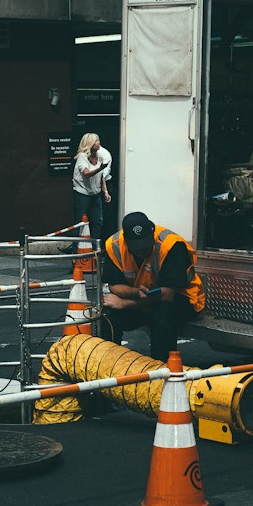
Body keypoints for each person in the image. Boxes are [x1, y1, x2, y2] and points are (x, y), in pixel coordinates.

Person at [100, 211, 204, 362]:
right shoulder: (114, 245)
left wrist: (126, 303)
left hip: (182, 299)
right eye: (137, 248)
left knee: (161, 315)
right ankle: (109, 364)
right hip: (143, 298)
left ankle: (161, 370)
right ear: (126, 241)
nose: (142, 251)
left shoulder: (171, 245)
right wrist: (136, 293)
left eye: (146, 246)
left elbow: (168, 295)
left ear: (152, 232)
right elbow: (114, 286)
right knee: (108, 314)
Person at [71, 132, 112, 235]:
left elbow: (101, 176)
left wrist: (105, 192)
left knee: (98, 222)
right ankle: (76, 248)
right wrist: (100, 168)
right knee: (80, 222)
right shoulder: (82, 157)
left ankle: (95, 248)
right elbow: (86, 174)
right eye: (96, 141)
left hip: (96, 194)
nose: (99, 143)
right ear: (89, 143)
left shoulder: (100, 157)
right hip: (83, 195)